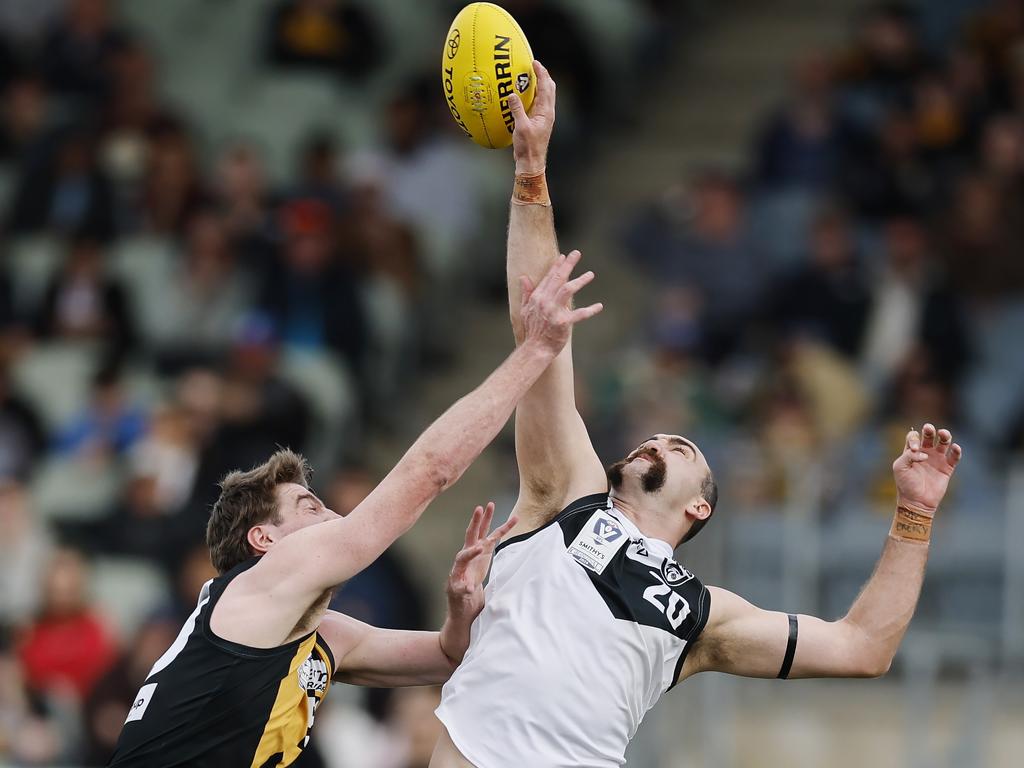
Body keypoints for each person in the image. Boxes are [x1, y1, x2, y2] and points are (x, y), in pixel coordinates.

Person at [430, 61, 965, 768]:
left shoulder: (705, 615)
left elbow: (862, 648)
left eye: (683, 447)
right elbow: (540, 326)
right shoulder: (569, 495)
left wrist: (915, 513)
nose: (659, 438)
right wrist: (531, 168)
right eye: (656, 437)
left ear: (700, 512)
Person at [106, 252, 602, 767]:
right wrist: (537, 349)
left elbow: (448, 657)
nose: (336, 517)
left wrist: (459, 611)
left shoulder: (323, 634)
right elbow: (428, 472)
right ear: (264, 541)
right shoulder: (260, 584)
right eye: (308, 505)